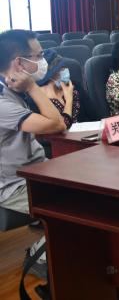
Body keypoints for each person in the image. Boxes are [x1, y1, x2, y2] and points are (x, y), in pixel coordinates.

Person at [0, 30, 67, 277]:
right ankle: (39, 256)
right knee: (79, 203)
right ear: (19, 63)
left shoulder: (12, 89)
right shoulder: (2, 101)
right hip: (14, 185)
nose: (43, 62)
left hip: (37, 169)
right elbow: (57, 124)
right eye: (37, 56)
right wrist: (32, 87)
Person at [28, 51, 80, 130]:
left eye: (64, 67)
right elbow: (62, 126)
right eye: (60, 69)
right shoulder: (35, 99)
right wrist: (69, 99)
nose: (65, 70)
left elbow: (94, 117)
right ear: (51, 74)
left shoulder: (75, 86)